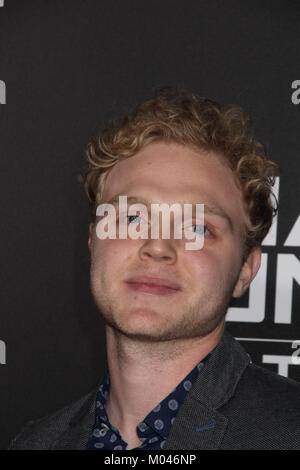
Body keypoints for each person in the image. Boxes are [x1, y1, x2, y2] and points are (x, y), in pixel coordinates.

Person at [8, 87, 300, 450]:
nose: (158, 247)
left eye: (197, 228)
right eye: (132, 217)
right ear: (93, 242)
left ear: (245, 269)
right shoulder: (34, 444)